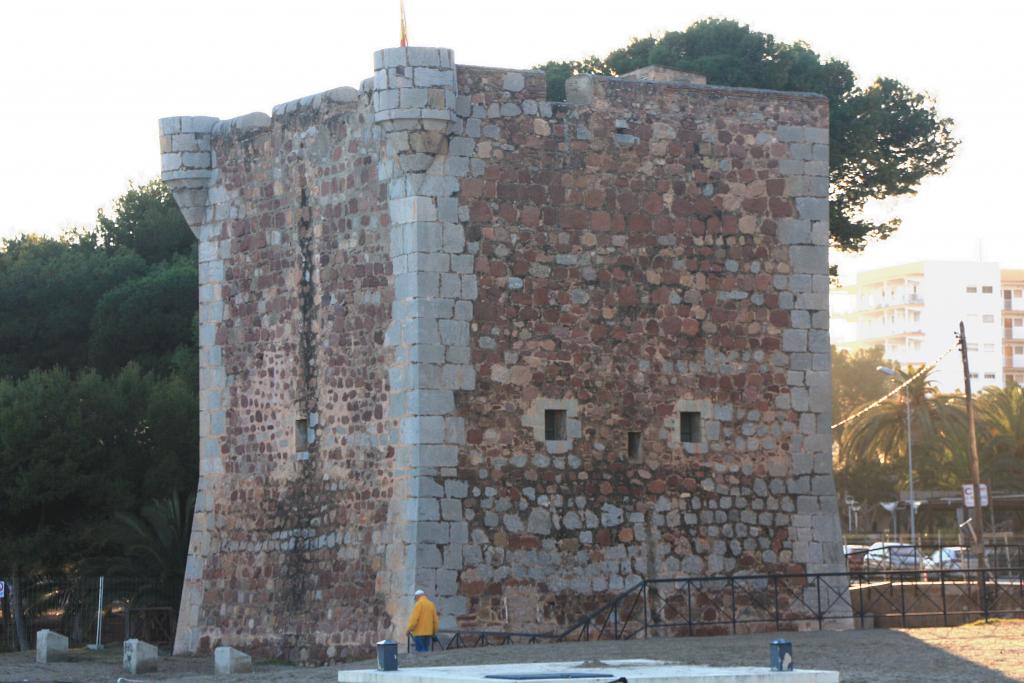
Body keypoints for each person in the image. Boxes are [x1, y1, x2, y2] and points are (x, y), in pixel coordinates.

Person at [406, 588, 439, 653]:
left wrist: (409, 629)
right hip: (428, 633)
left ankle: (422, 663)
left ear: (417, 596)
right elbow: (435, 620)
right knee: (426, 650)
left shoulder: (418, 604)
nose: (415, 599)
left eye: (415, 597)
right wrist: (434, 632)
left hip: (419, 633)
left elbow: (414, 620)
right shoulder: (431, 604)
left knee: (421, 652)